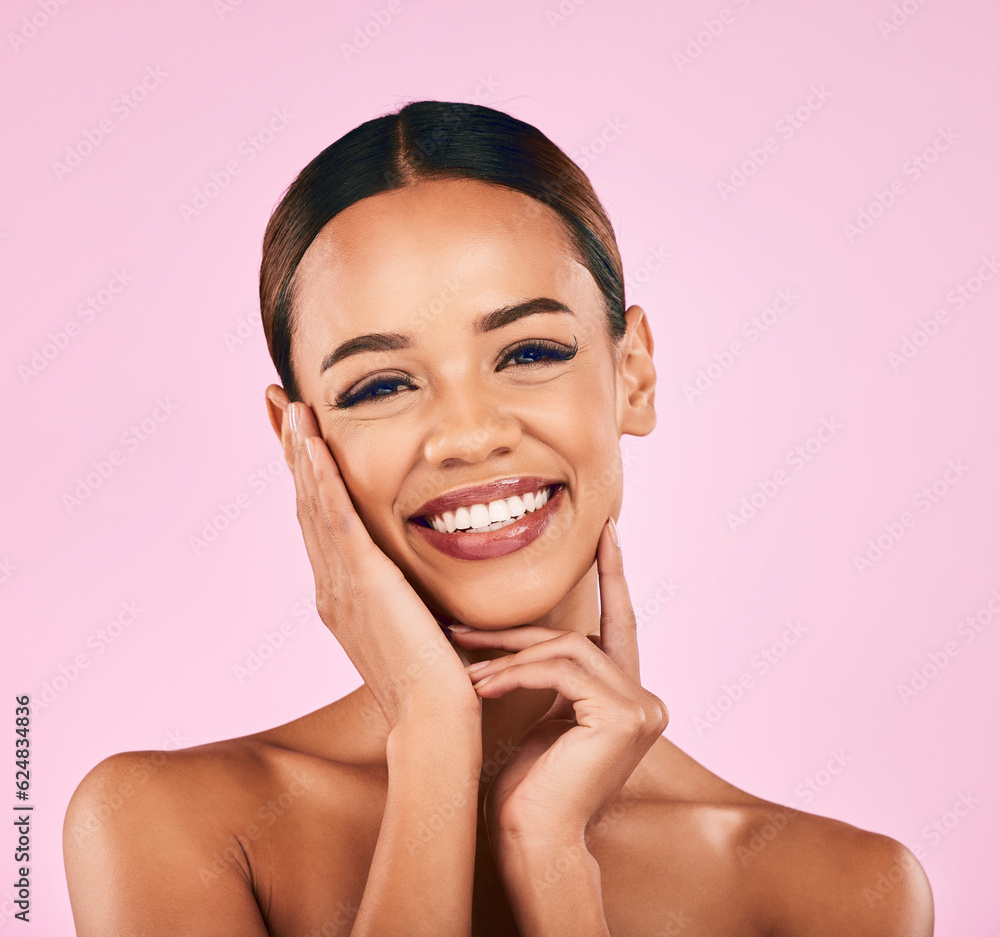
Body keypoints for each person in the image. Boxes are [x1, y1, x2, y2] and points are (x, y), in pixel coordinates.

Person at [63, 100, 934, 936]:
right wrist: (433, 738)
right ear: (298, 437)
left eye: (529, 352)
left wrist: (552, 861)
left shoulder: (841, 891)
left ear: (632, 373)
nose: (470, 435)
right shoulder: (171, 826)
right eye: (382, 384)